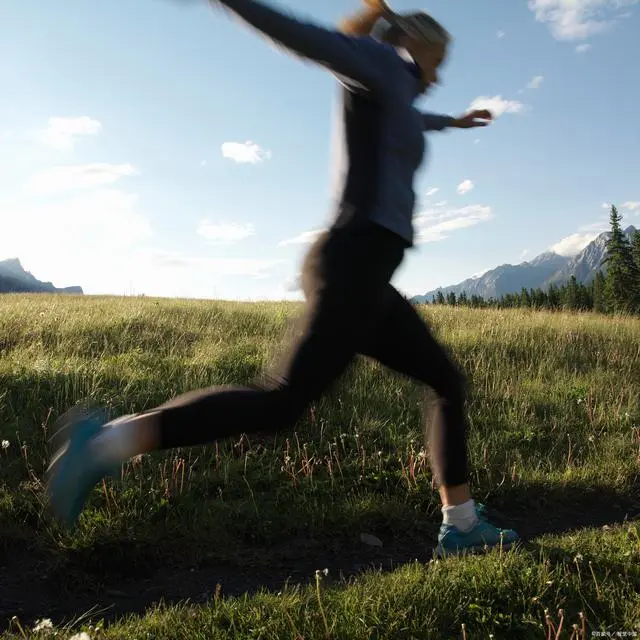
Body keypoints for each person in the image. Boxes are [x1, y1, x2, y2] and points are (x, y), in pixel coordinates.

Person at [47, 0, 519, 556]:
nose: (439, 75)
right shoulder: (375, 64)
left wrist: (455, 123)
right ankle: (105, 444)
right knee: (281, 403)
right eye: (439, 61)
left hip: (365, 275)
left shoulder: (395, 90)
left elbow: (413, 120)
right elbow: (300, 35)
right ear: (421, 45)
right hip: (354, 265)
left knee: (444, 379)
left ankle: (461, 524)